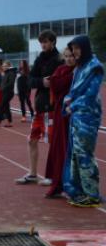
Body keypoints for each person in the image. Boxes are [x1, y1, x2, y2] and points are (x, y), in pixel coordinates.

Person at [15, 30, 62, 184]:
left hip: (52, 107)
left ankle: (53, 175)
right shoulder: (40, 58)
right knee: (32, 140)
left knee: (51, 142)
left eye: (46, 41)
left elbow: (62, 81)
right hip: (39, 106)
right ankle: (33, 174)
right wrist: (42, 82)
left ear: (53, 42)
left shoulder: (59, 59)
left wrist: (51, 83)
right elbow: (30, 80)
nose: (43, 44)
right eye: (41, 42)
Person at [62, 35, 103, 207]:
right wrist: (68, 98)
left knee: (85, 154)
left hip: (87, 117)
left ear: (85, 48)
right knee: (76, 155)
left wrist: (73, 105)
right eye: (73, 49)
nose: (75, 52)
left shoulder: (94, 67)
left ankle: (92, 194)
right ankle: (80, 191)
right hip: (77, 117)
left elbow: (90, 94)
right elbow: (73, 90)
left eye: (78, 48)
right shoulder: (80, 67)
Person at [43, 48, 75, 198]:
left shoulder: (80, 70)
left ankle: (71, 183)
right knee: (59, 146)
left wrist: (58, 81)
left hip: (74, 113)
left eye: (72, 56)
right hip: (60, 113)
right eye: (66, 56)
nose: (69, 59)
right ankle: (58, 181)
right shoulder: (61, 69)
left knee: (71, 147)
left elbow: (57, 83)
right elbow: (54, 85)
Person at [0, 61, 17, 128]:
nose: (3, 67)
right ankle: (9, 122)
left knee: (1, 106)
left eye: (5, 66)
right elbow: (3, 82)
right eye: (3, 66)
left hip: (9, 92)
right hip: (4, 92)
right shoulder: (6, 73)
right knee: (6, 107)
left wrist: (3, 88)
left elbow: (11, 83)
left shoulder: (11, 73)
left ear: (9, 66)